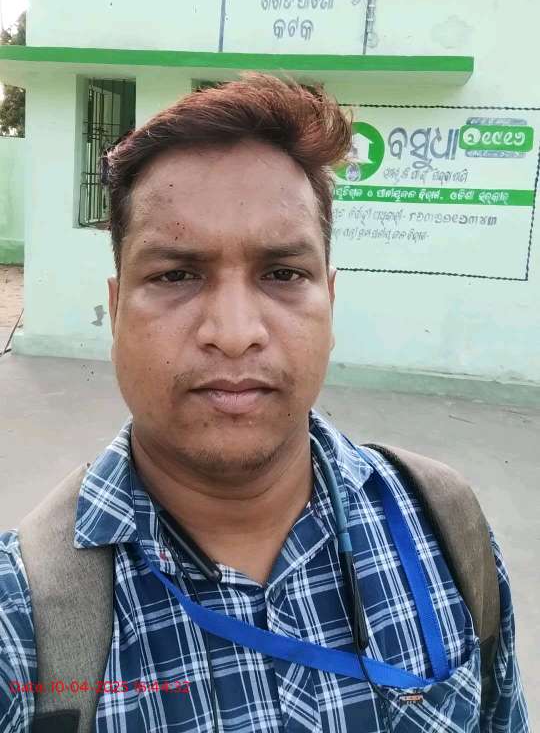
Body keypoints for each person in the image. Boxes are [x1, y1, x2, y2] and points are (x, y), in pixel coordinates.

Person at [0, 73, 529, 732]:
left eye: (282, 274)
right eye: (176, 274)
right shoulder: (22, 617)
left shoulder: (445, 530)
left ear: (328, 301)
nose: (233, 332)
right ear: (116, 311)